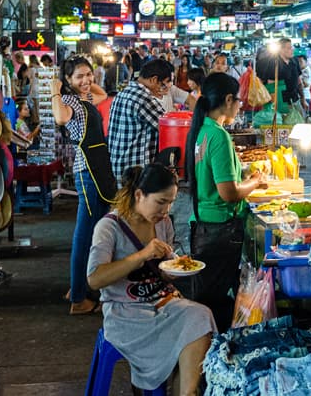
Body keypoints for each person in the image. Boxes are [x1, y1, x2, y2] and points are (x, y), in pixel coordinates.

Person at [87, 164, 215, 395]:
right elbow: (94, 279)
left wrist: (175, 268)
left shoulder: (163, 223)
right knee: (189, 328)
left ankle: (187, 392)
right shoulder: (108, 227)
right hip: (125, 312)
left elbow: (163, 270)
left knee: (201, 316)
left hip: (163, 302)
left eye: (170, 202)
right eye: (160, 202)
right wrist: (142, 255)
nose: (166, 210)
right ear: (139, 195)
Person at [186, 73, 265, 331]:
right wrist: (255, 181)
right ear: (228, 99)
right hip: (220, 229)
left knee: (209, 295)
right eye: (239, 102)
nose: (240, 107)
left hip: (203, 225)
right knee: (216, 302)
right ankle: (213, 355)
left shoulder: (201, 130)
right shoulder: (218, 135)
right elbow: (228, 193)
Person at [52, 57, 112, 315]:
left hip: (97, 167)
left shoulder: (85, 98)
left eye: (89, 74)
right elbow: (60, 117)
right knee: (85, 235)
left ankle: (77, 287)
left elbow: (103, 93)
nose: (86, 80)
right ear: (68, 80)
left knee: (92, 231)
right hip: (87, 169)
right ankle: (78, 298)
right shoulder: (69, 101)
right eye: (79, 77)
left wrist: (88, 82)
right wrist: (56, 89)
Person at [108, 59, 175, 182]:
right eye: (165, 84)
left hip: (119, 165)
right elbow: (169, 128)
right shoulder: (143, 98)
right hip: (136, 169)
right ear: (154, 80)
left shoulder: (123, 93)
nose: (165, 90)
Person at [256, 38, 303, 116]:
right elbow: (271, 86)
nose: (292, 50)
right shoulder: (273, 63)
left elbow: (299, 81)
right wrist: (273, 106)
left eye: (292, 47)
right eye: (289, 48)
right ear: (281, 50)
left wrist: (303, 98)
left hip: (295, 100)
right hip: (279, 103)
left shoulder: (295, 61)